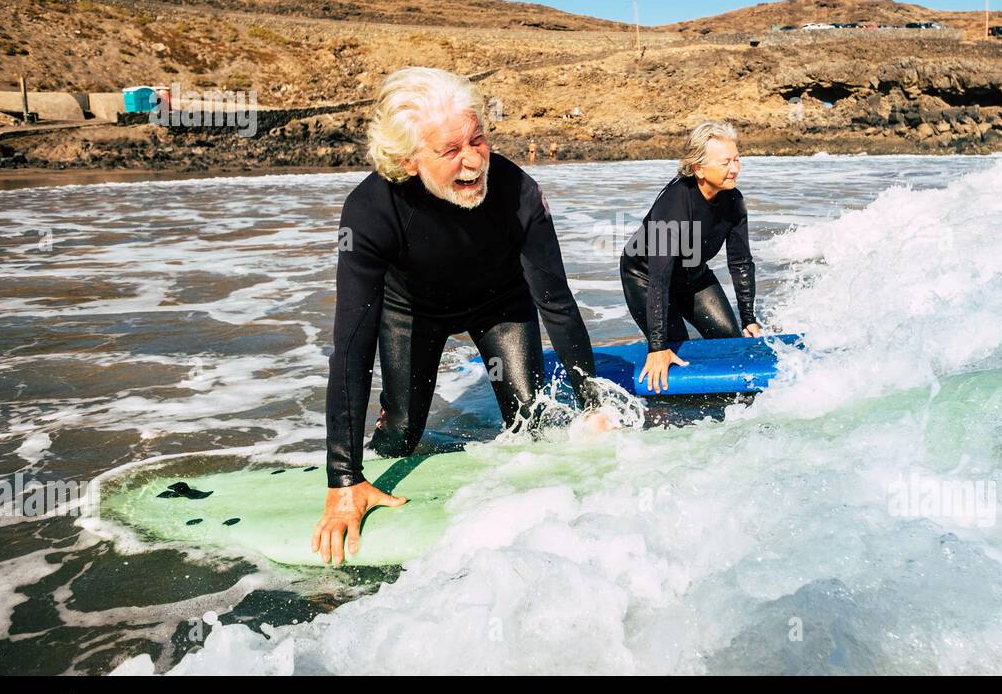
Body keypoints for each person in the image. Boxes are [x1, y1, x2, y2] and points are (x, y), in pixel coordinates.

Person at [313, 67, 605, 565]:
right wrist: (343, 480)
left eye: (478, 140)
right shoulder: (368, 212)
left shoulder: (520, 193)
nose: (473, 161)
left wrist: (594, 405)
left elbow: (555, 301)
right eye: (450, 151)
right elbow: (352, 346)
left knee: (529, 421)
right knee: (403, 436)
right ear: (408, 160)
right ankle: (388, 432)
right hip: (412, 313)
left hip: (500, 304)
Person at [620, 121, 761, 393]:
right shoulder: (674, 202)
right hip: (646, 277)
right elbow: (660, 277)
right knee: (674, 355)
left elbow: (741, 261)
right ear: (698, 168)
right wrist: (657, 346)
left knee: (732, 346)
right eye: (725, 163)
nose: (734, 169)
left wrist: (749, 319)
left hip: (693, 277)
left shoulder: (733, 201)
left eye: (737, 160)